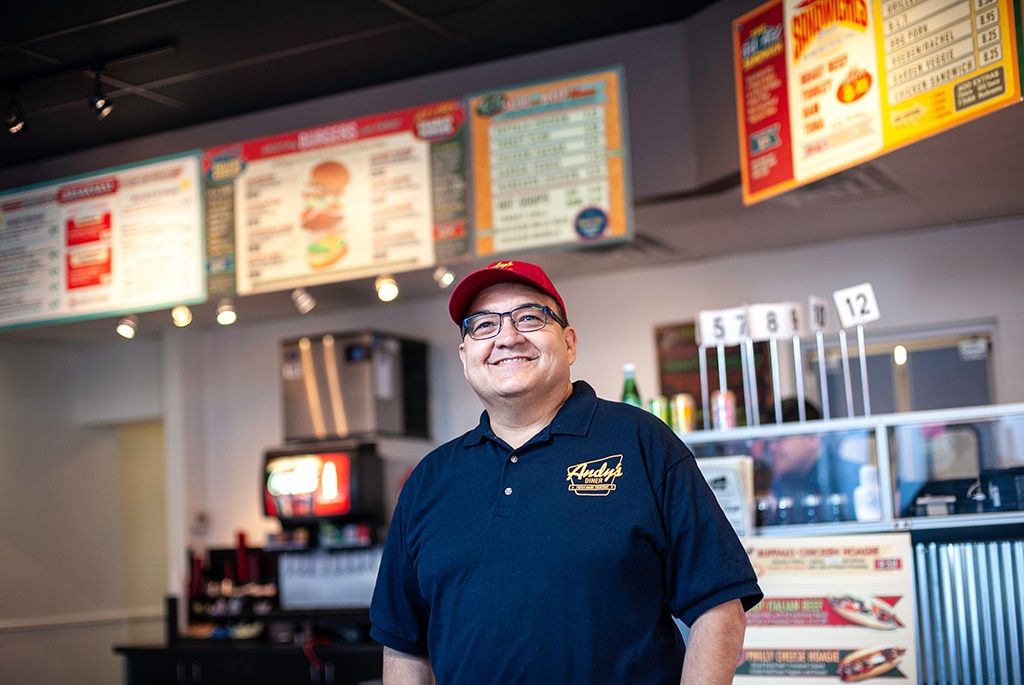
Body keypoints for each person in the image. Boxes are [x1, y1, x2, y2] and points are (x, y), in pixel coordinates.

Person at [369, 260, 763, 684]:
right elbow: (406, 646)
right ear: (466, 358)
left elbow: (719, 607)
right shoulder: (430, 480)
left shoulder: (641, 442)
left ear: (570, 343)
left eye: (529, 317)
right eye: (483, 325)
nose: (507, 337)